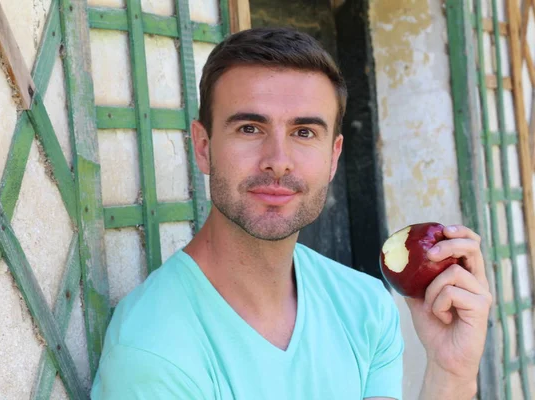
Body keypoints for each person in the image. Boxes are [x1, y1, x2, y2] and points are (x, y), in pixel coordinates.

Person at [91, 27, 492, 399]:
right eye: (250, 128)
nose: (278, 161)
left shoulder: (366, 306)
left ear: (333, 157)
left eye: (304, 133)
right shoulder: (154, 349)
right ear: (203, 146)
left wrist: (450, 371)